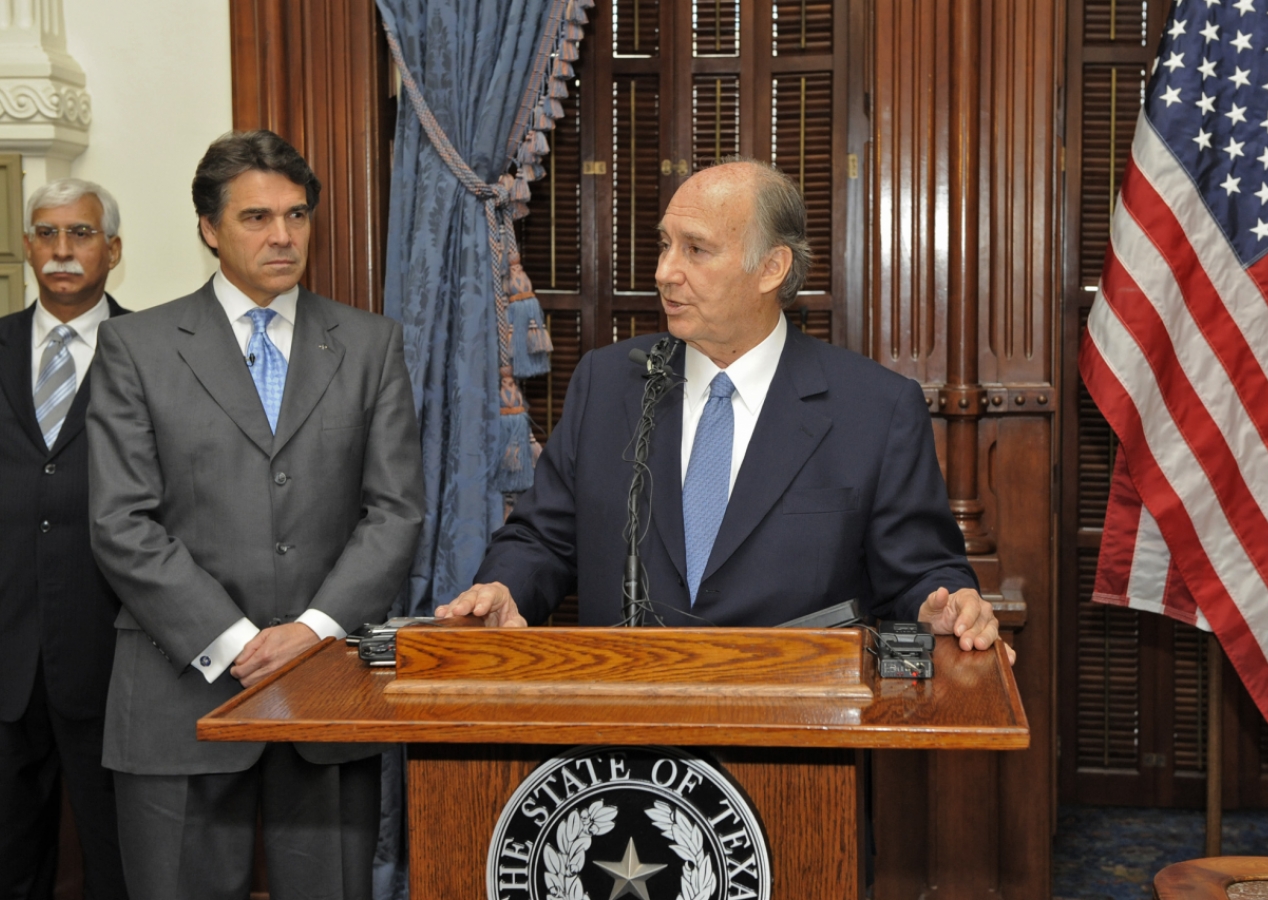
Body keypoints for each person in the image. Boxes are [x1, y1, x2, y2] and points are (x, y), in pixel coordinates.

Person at [438, 158, 1007, 658]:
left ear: (771, 268)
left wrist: (944, 608)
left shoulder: (874, 410)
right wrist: (504, 590)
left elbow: (922, 574)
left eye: (696, 249)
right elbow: (542, 538)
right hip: (621, 745)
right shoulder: (608, 383)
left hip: (794, 742)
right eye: (664, 244)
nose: (665, 272)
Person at [87, 131, 424, 900]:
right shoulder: (134, 347)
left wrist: (307, 634)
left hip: (328, 696)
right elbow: (121, 521)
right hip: (180, 696)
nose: (283, 236)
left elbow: (396, 512)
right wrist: (237, 641)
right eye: (256, 218)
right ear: (208, 228)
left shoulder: (371, 345)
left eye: (297, 215)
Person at [0, 179, 129, 899]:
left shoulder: (155, 351)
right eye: (46, 234)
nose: (61, 251)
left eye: (80, 234)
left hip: (112, 655)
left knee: (118, 864)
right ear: (27, 247)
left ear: (112, 248)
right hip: (5, 654)